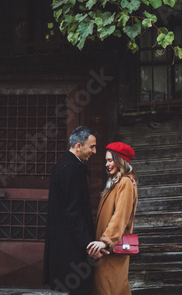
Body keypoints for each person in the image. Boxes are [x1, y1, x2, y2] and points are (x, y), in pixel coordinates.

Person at [43, 126, 99, 294]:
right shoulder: (73, 169)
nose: (94, 151)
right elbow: (73, 211)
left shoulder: (63, 165)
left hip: (64, 243)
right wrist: (88, 242)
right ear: (78, 146)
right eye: (92, 146)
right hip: (72, 245)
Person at [87, 142, 138, 295]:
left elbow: (120, 216)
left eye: (110, 160)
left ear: (120, 160)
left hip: (111, 250)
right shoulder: (116, 183)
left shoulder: (125, 183)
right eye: (106, 161)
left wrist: (105, 241)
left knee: (110, 289)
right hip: (107, 250)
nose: (107, 164)